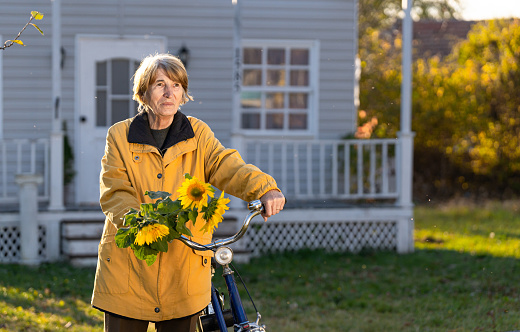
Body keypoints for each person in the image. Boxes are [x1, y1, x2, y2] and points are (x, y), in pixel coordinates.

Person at [91, 53, 285, 332]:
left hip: (184, 267)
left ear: (183, 93)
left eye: (177, 85)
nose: (169, 92)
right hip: (129, 267)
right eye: (160, 85)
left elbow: (226, 165)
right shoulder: (119, 136)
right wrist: (143, 223)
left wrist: (265, 188)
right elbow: (114, 190)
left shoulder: (198, 134)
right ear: (144, 93)